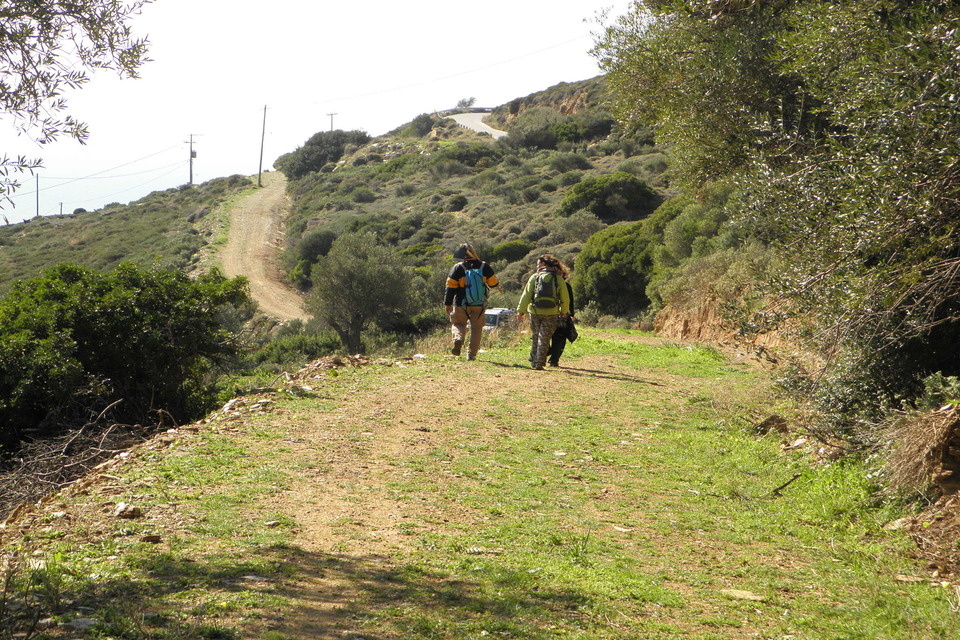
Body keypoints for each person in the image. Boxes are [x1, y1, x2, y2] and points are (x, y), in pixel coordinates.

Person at [444, 243, 499, 361]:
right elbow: (493, 284)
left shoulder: (458, 267)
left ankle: (458, 339)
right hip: (479, 304)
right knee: (476, 329)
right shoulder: (484, 266)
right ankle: (471, 354)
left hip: (461, 304)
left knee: (458, 324)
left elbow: (450, 287)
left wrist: (447, 303)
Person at [517, 254, 571, 370]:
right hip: (551, 313)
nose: (537, 266)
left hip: (535, 311)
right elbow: (565, 298)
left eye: (538, 264)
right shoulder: (558, 278)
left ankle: (534, 360)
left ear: (544, 264)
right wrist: (564, 311)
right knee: (544, 338)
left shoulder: (535, 277)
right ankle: (539, 362)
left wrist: (520, 311)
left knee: (536, 336)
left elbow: (526, 295)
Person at [547, 259, 575, 367]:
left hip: (547, 313)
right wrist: (571, 314)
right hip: (562, 315)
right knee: (560, 337)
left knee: (545, 335)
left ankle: (546, 353)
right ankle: (554, 360)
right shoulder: (566, 285)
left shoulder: (544, 282)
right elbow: (570, 301)